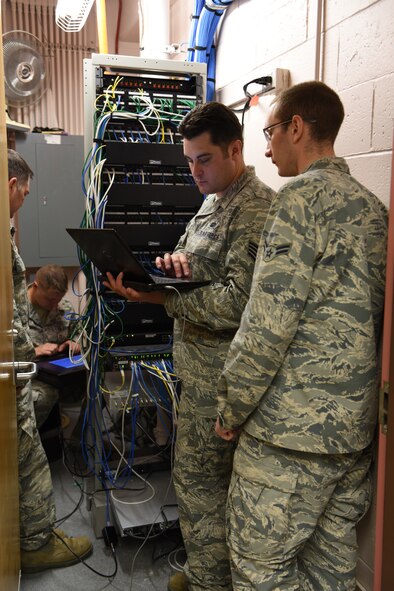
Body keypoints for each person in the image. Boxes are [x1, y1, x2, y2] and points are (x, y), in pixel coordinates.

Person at [215, 81, 388, 590]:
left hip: (287, 439)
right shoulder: (374, 208)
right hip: (351, 439)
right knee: (331, 571)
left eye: (269, 132)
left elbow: (267, 324)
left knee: (258, 571)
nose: (266, 149)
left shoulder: (297, 202)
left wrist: (232, 404)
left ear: (296, 127)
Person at [104, 101, 275, 591]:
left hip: (223, 382)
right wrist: (172, 267)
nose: (194, 171)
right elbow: (202, 267)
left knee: (205, 489)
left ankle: (209, 581)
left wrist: (163, 297)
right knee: (198, 487)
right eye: (188, 162)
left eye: (204, 159)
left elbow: (242, 304)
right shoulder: (213, 200)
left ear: (235, 149)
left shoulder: (256, 208)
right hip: (197, 375)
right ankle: (206, 572)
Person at [8, 148, 92, 572]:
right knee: (30, 465)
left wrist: (69, 344)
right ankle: (35, 544)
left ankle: (32, 535)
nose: (24, 199)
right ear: (12, 186)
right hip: (20, 379)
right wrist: (29, 351)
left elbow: (62, 332)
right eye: (24, 191)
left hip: (28, 374)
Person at [27, 264, 83, 429]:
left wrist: (73, 343)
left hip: (58, 373)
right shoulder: (13, 309)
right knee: (45, 396)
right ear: (36, 286)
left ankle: (78, 442)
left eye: (58, 300)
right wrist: (34, 351)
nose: (54, 305)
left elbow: (77, 335)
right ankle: (23, 444)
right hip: (29, 375)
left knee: (96, 387)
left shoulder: (64, 307)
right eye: (50, 299)